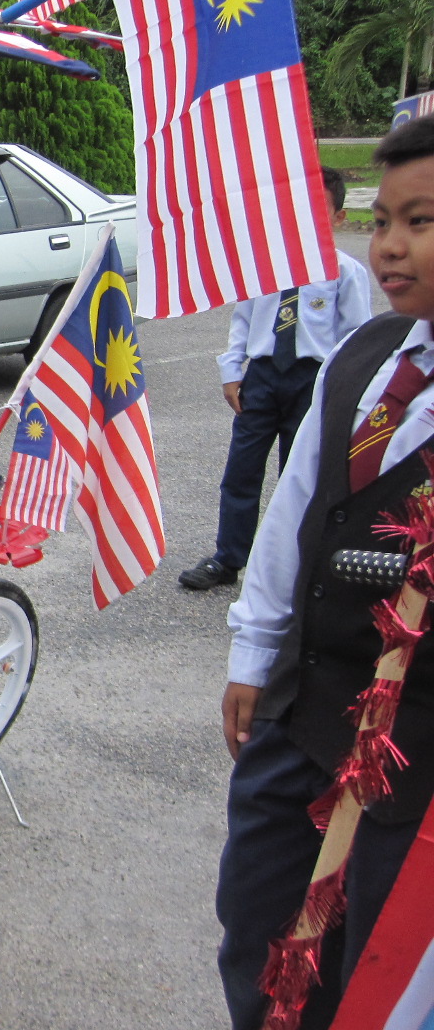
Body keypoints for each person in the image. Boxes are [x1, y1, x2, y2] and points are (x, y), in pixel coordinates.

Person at [217, 117, 434, 1028]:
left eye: (419, 221)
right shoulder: (366, 357)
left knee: (376, 962)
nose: (388, 245)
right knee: (260, 925)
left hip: (414, 763)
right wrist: (253, 649)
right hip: (305, 713)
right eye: (381, 220)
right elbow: (294, 510)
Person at [180, 168, 372, 590]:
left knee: (298, 477)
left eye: (318, 210)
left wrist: (343, 393)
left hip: (313, 380)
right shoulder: (264, 266)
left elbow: (355, 338)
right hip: (263, 379)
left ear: (338, 218)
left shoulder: (344, 272)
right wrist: (232, 372)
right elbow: (244, 320)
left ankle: (293, 567)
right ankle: (228, 559)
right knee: (241, 472)